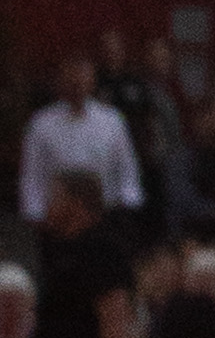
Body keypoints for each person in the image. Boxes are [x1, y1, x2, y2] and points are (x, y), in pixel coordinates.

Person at [19, 46, 145, 232]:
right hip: (59, 218)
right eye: (72, 78)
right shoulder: (42, 123)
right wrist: (34, 214)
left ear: (92, 80)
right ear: (61, 81)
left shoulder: (111, 120)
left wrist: (129, 204)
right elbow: (32, 173)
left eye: (83, 77)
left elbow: (127, 167)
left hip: (105, 215)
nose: (77, 83)